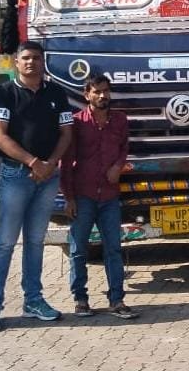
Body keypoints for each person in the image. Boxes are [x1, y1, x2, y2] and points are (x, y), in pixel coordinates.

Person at [0, 40, 74, 331]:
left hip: (47, 179)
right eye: (25, 58)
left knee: (35, 242)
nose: (31, 62)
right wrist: (34, 163)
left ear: (43, 62)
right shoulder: (4, 93)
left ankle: (33, 300)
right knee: (5, 242)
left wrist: (50, 165)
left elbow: (66, 133)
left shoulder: (56, 92)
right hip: (15, 177)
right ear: (16, 63)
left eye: (36, 57)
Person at [60, 74, 137, 320]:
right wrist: (69, 198)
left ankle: (117, 300)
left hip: (110, 197)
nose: (102, 96)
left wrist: (118, 166)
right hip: (83, 196)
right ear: (87, 95)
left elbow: (125, 147)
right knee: (78, 250)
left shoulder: (120, 120)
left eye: (106, 91)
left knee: (113, 249)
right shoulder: (76, 123)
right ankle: (81, 300)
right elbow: (66, 162)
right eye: (97, 92)